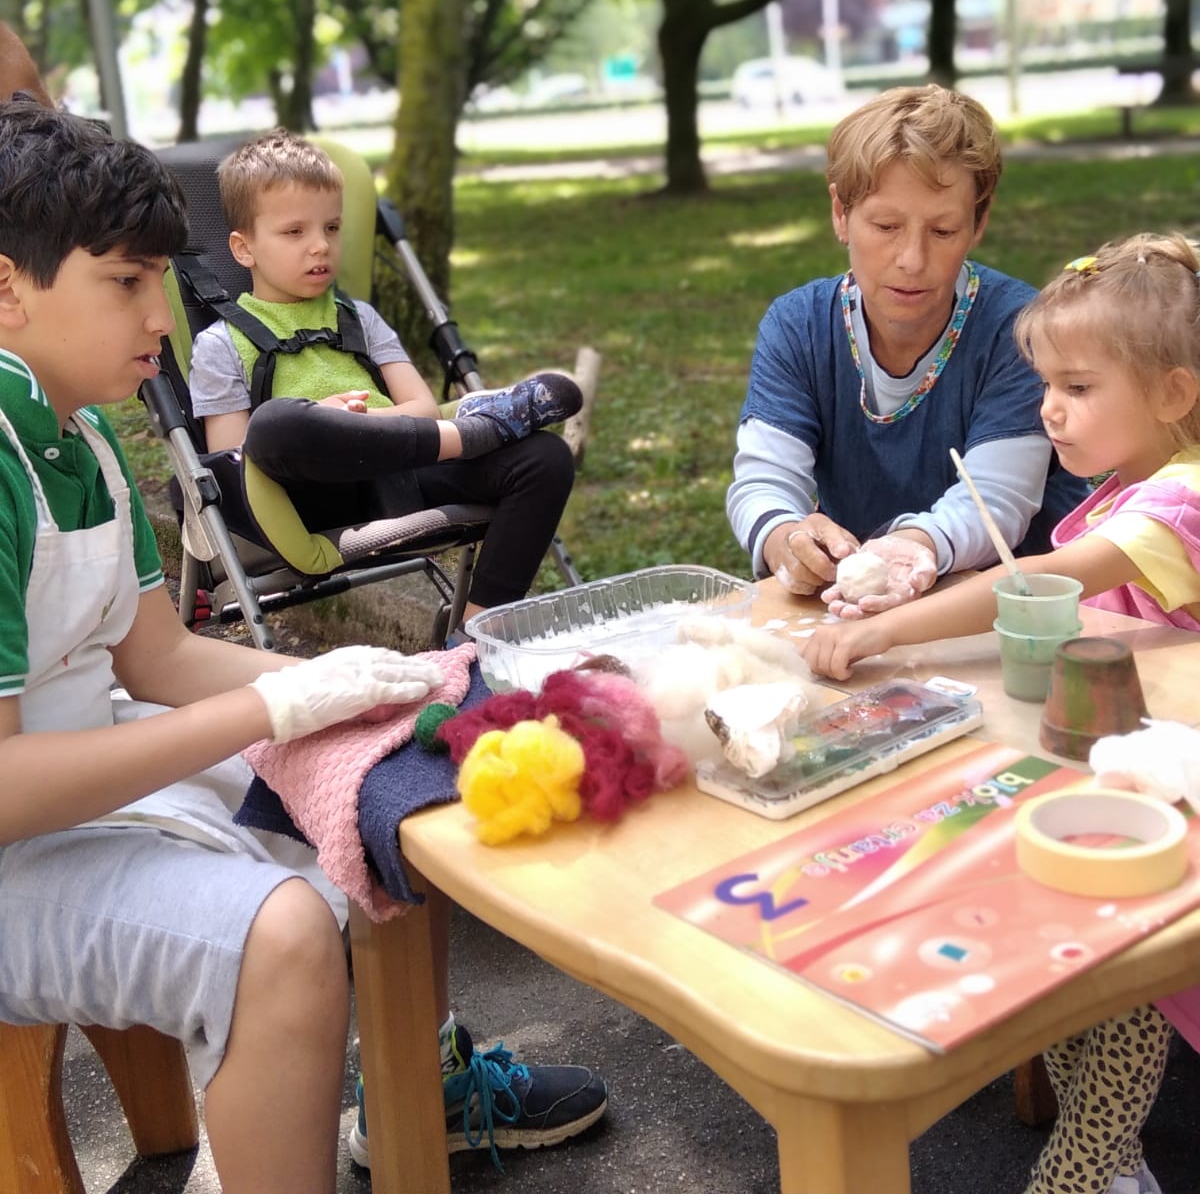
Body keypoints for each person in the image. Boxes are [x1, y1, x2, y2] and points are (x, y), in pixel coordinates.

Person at [0, 84, 606, 1194]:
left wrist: (349, 683)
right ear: (7, 289)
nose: (160, 317)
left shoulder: (78, 435)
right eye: (126, 282)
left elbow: (158, 659)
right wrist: (268, 706)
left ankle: (421, 1093)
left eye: (159, 280)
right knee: (278, 935)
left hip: (92, 783)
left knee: (389, 776)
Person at [805, 231, 1200, 1194]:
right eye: (1046, 384)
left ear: (1174, 393)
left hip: (1172, 798)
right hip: (1127, 762)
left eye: (1077, 386)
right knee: (1060, 925)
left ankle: (1090, 1164)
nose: (1048, 408)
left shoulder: (1180, 503)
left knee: (1120, 969)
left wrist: (887, 630)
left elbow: (1042, 583)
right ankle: (1111, 1157)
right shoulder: (1139, 482)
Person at [189, 131, 581, 624]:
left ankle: (476, 632)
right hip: (310, 501)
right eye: (294, 232)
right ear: (243, 249)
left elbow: (422, 408)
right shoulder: (221, 344)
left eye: (332, 228)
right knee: (274, 425)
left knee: (546, 457)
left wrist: (366, 429)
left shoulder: (360, 319)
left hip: (402, 477)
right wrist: (326, 423)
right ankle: (484, 428)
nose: (320, 246)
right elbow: (234, 459)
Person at [726, 84, 1086, 613]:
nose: (912, 259)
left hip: (1015, 612)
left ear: (979, 222)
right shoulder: (798, 326)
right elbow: (765, 479)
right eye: (886, 226)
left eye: (943, 230)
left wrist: (914, 549)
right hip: (854, 613)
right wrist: (786, 538)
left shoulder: (1020, 329)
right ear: (840, 213)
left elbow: (996, 500)